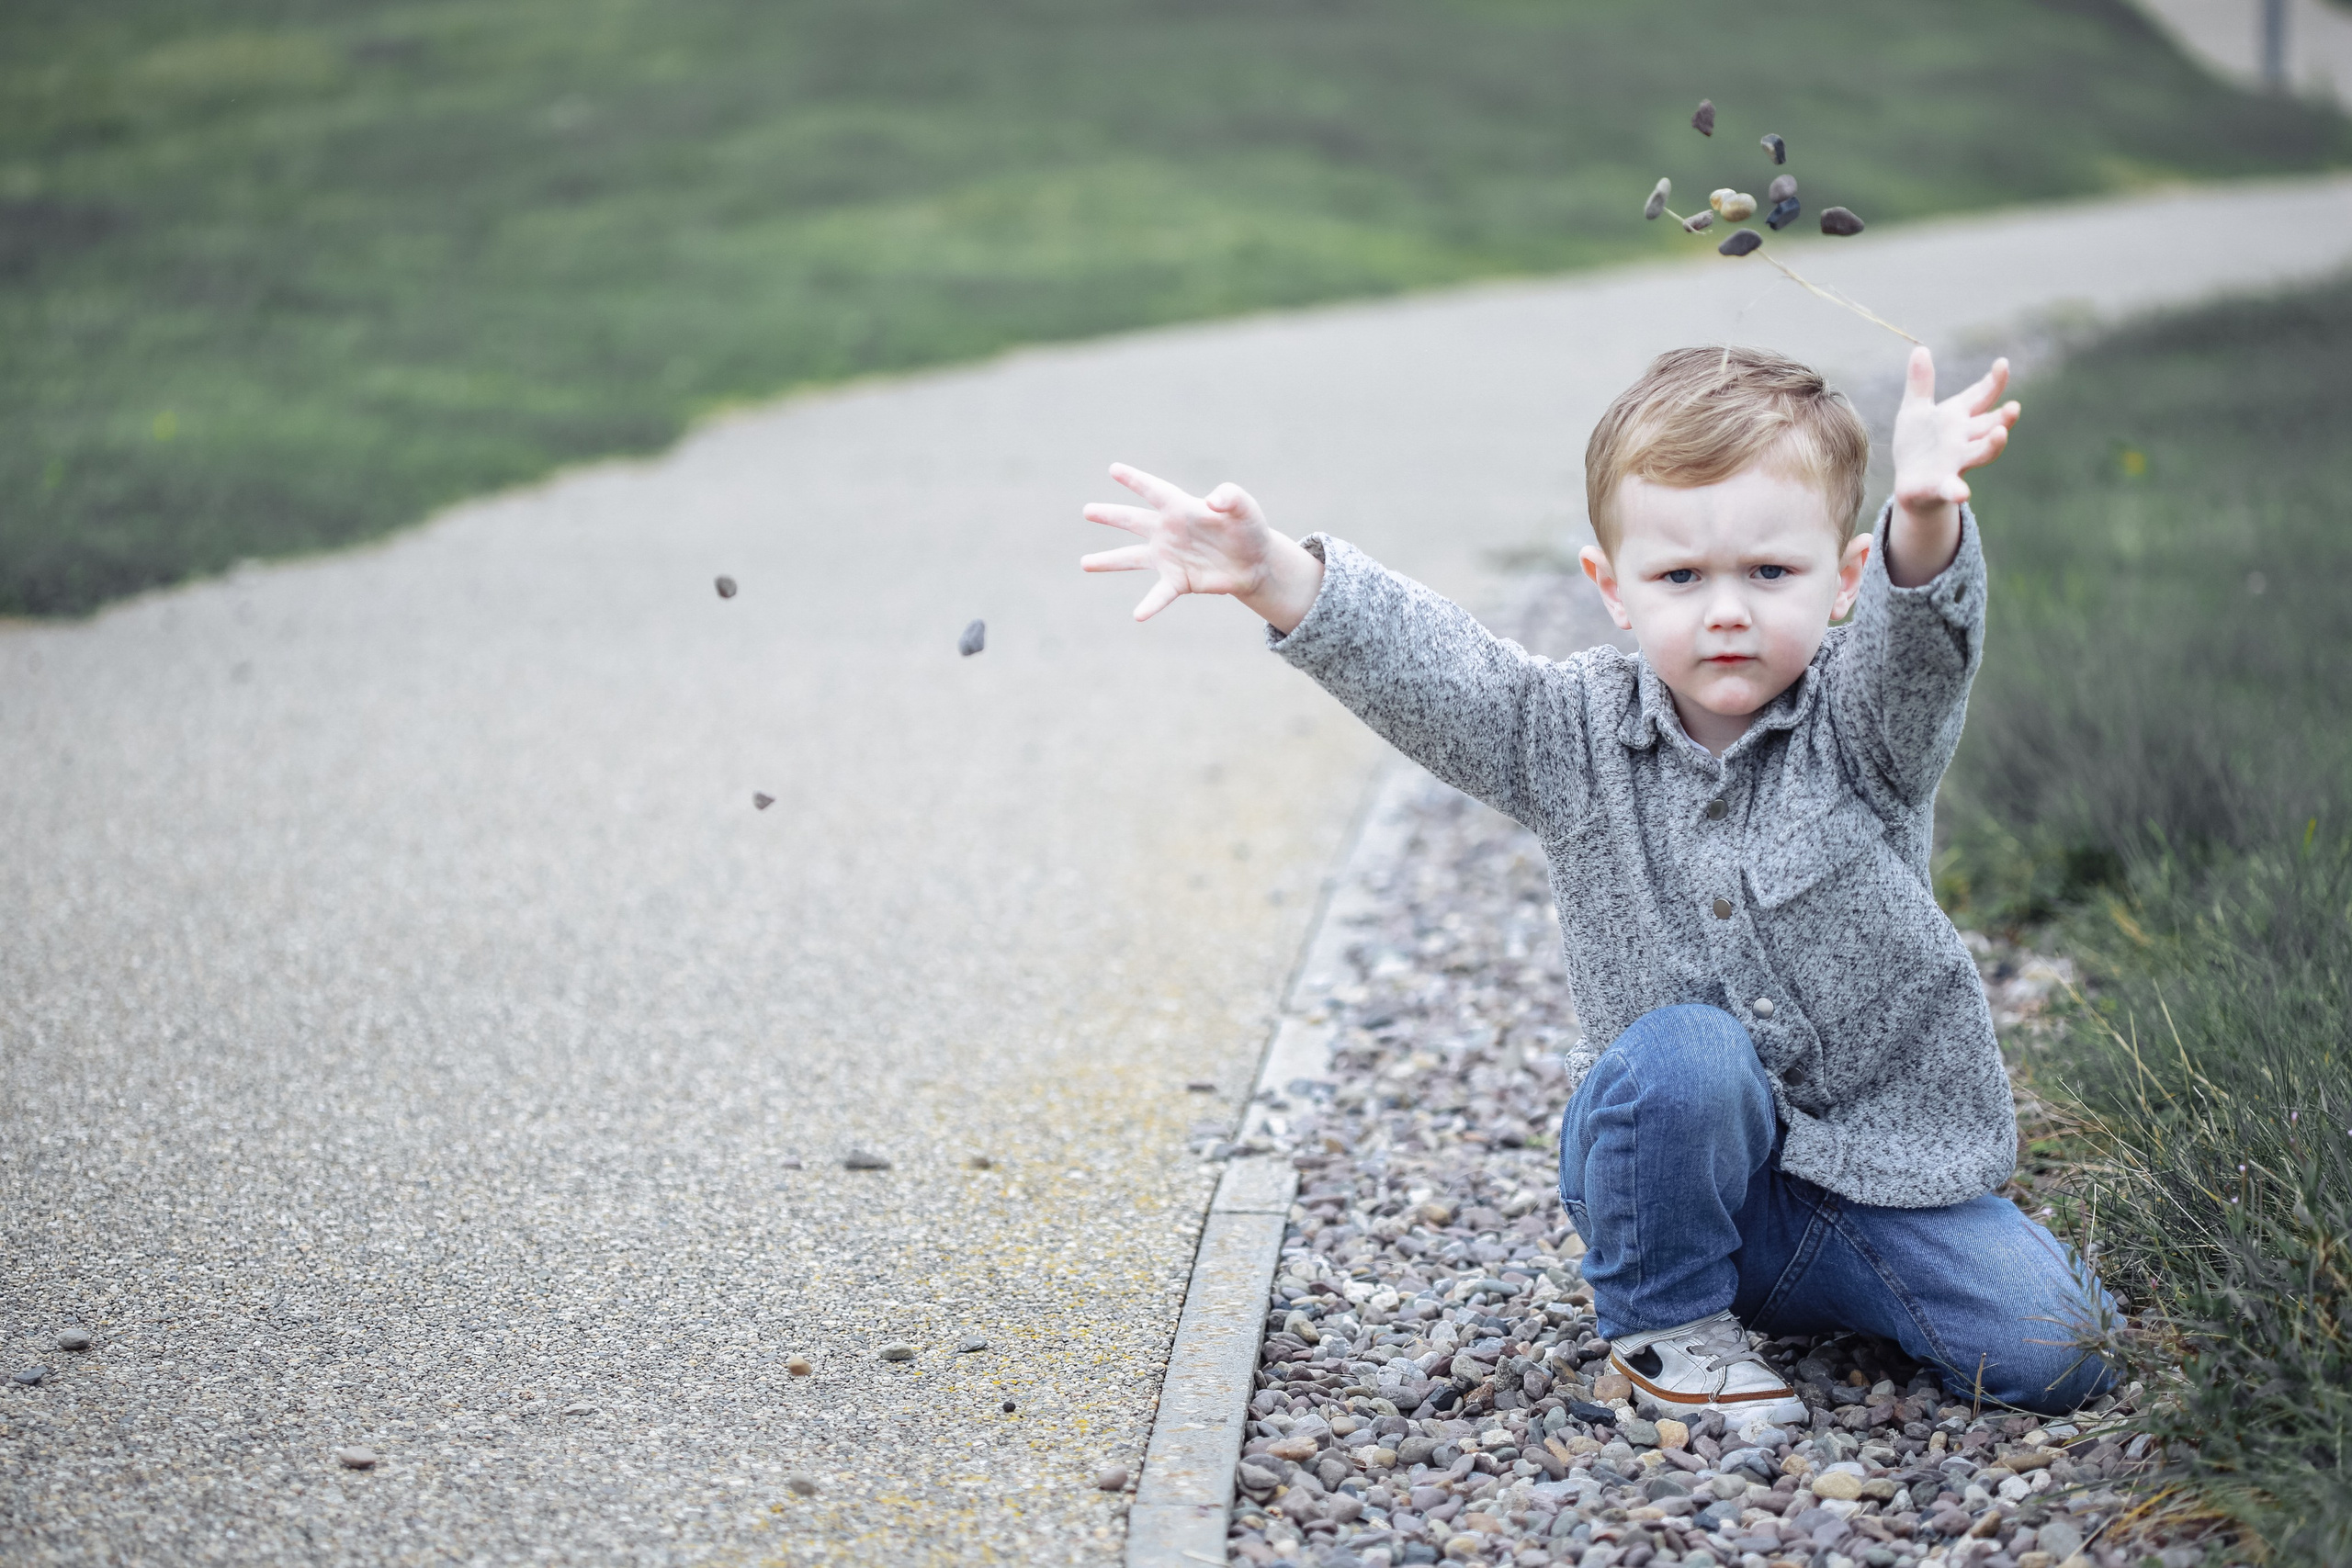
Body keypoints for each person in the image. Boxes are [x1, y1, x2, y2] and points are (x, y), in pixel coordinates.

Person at [1078, 344, 2115, 1420]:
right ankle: (1669, 1324)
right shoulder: (1569, 734)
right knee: (1689, 1053)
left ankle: (1836, 1299)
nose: (1725, 611)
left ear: (1843, 578)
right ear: (1611, 589)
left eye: (1769, 573)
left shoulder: (1866, 730)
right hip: (1672, 1180)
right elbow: (1446, 676)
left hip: (1884, 1189)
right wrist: (1274, 573)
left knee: (2062, 1356)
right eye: (1679, 578)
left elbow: (1922, 646)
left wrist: (1924, 514)